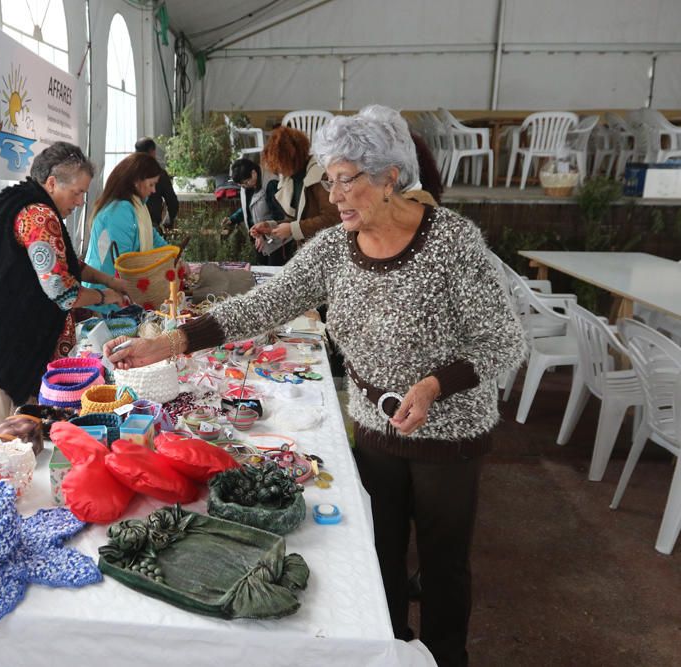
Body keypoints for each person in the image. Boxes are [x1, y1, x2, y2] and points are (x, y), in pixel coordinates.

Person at [103, 109, 526, 667]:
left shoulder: (449, 242)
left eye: (347, 179)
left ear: (391, 176)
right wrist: (171, 343)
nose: (335, 195)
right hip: (377, 427)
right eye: (329, 179)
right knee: (381, 556)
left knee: (444, 565)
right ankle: (393, 649)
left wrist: (432, 386)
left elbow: (503, 339)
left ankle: (447, 657)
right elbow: (262, 306)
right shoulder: (334, 248)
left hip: (449, 433)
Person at [0, 142, 129, 445]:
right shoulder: (39, 215)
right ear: (52, 183)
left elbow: (64, 261)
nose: (81, 201)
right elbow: (63, 292)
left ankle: (5, 479)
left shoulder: (29, 202)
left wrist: (107, 279)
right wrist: (106, 296)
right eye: (77, 192)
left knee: (14, 423)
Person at [83, 152, 170, 309]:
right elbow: (125, 262)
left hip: (113, 292)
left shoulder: (135, 206)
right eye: (151, 184)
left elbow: (153, 237)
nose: (154, 190)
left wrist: (173, 257)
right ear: (137, 182)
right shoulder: (120, 211)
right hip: (106, 296)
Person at [248, 125, 339, 256]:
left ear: (291, 157)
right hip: (311, 251)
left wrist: (292, 229)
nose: (277, 171)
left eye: (279, 165)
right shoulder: (292, 178)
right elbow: (298, 219)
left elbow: (333, 218)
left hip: (327, 252)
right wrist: (270, 226)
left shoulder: (320, 176)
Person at [222, 158, 287, 264]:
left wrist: (262, 233)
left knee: (275, 272)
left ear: (253, 173)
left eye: (246, 182)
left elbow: (280, 216)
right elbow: (248, 209)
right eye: (241, 185)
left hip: (277, 241)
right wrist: (232, 219)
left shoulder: (270, 184)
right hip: (259, 238)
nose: (244, 186)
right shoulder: (246, 186)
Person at [135, 137, 179, 230]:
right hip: (151, 225)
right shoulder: (159, 174)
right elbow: (172, 202)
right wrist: (168, 222)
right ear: (152, 152)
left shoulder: (128, 172)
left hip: (130, 225)